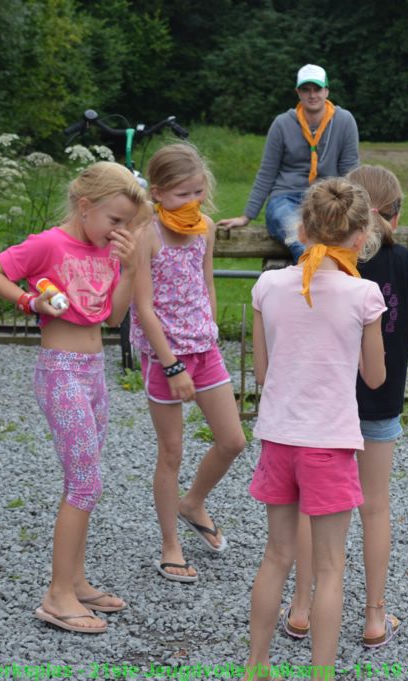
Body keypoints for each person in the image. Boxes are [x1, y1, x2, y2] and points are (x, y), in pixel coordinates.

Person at [0, 161, 151, 633]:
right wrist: (27, 301)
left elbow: (113, 319)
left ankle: (74, 580)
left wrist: (131, 267)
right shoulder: (50, 243)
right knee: (85, 484)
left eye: (127, 225)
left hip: (94, 373)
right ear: (85, 205)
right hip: (60, 373)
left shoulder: (109, 251)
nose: (120, 231)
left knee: (85, 479)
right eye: (115, 221)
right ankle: (56, 596)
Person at [281, 164, 408, 649]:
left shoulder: (317, 262)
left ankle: (301, 609)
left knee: (315, 510)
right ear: (392, 214)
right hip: (378, 405)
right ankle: (375, 616)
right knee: (374, 508)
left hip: (323, 408)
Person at [243, 177, 386, 679]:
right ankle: (320, 674)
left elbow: (263, 374)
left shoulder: (268, 286)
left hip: (279, 437)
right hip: (329, 444)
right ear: (360, 234)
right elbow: (375, 377)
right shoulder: (364, 294)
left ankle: (256, 666)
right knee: (328, 569)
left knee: (276, 556)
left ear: (302, 227)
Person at [130, 143, 247, 583]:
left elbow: (207, 283)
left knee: (233, 440)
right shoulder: (148, 235)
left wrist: (210, 327)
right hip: (166, 356)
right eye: (182, 194)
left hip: (205, 349)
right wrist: (172, 365)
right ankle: (170, 546)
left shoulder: (205, 229)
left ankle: (192, 502)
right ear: (158, 193)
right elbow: (143, 308)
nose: (192, 202)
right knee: (172, 451)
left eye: (198, 192)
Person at [217, 64, 360, 262]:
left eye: (317, 89)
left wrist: (359, 211)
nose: (312, 95)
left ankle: (314, 280)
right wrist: (247, 216)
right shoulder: (282, 123)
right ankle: (313, 275)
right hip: (285, 197)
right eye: (305, 89)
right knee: (297, 232)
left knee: (338, 237)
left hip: (327, 198)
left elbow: (350, 172)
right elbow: (267, 172)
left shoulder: (344, 120)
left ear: (326, 91)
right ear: (298, 92)